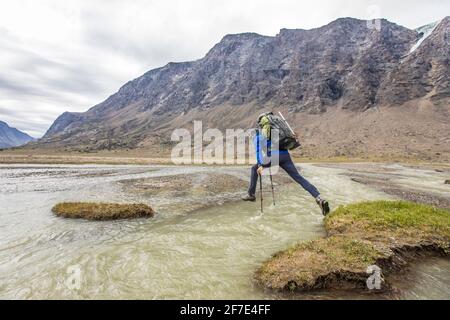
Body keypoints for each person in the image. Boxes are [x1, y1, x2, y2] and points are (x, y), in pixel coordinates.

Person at [242, 113, 330, 216]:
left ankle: (251, 194)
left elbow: (259, 151)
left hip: (273, 157)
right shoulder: (278, 128)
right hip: (285, 156)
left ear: (261, 123)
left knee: (254, 168)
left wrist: (261, 164)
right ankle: (319, 198)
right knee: (299, 178)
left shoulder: (260, 134)